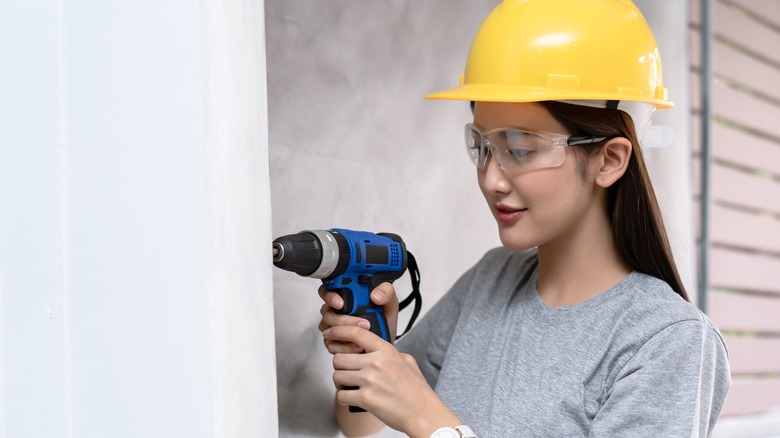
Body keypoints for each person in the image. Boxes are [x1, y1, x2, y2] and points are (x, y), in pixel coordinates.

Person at [318, 0, 731, 436]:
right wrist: (372, 350)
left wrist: (429, 419)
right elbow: (360, 427)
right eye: (482, 147)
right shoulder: (490, 281)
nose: (491, 179)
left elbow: (419, 414)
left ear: (609, 160)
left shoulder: (668, 341)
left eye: (521, 149)